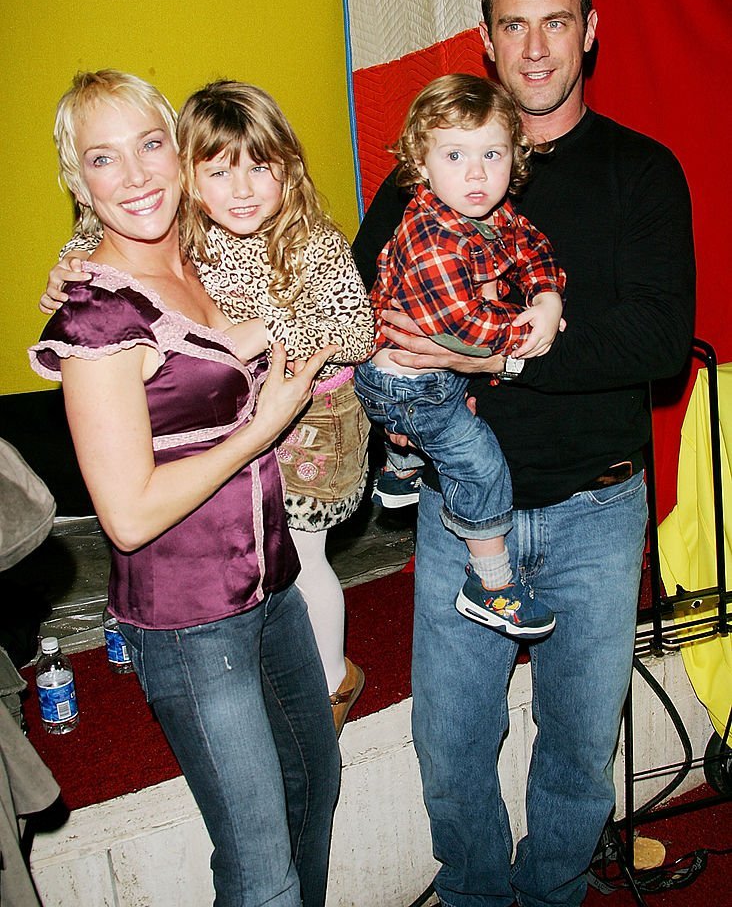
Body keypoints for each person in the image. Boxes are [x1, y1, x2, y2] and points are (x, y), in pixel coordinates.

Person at [351, 0, 695, 907]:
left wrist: (485, 355)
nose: (536, 46)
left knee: (580, 754)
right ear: (487, 41)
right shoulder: (427, 177)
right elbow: (354, 305)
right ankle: (472, 896)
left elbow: (657, 343)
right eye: (514, 23)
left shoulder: (642, 173)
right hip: (464, 517)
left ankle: (551, 896)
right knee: (451, 746)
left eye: (556, 21)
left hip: (597, 512)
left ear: (589, 32)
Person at [30, 69, 341, 907]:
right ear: (77, 180)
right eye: (103, 158)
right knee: (259, 865)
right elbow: (126, 517)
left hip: (274, 588)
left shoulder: (206, 257)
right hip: (190, 623)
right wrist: (261, 429)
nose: (134, 176)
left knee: (315, 793)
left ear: (180, 150)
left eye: (150, 144)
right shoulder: (96, 318)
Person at [41, 79, 374, 733]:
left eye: (260, 169)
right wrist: (67, 267)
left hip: (318, 421)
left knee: (303, 556)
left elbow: (357, 331)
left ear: (290, 171)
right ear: (190, 179)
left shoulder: (309, 241)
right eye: (219, 172)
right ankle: (291, 678)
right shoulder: (193, 239)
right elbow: (112, 253)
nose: (242, 190)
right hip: (251, 415)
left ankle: (333, 679)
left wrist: (263, 332)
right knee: (267, 560)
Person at [354, 73, 565, 637]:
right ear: (421, 164)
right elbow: (465, 328)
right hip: (402, 385)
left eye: (492, 154)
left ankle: (401, 471)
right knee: (480, 465)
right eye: (455, 154)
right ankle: (491, 584)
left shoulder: (488, 213)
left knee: (456, 408)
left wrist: (546, 298)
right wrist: (527, 335)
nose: (477, 173)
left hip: (436, 375)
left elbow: (534, 246)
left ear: (514, 159)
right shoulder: (432, 236)